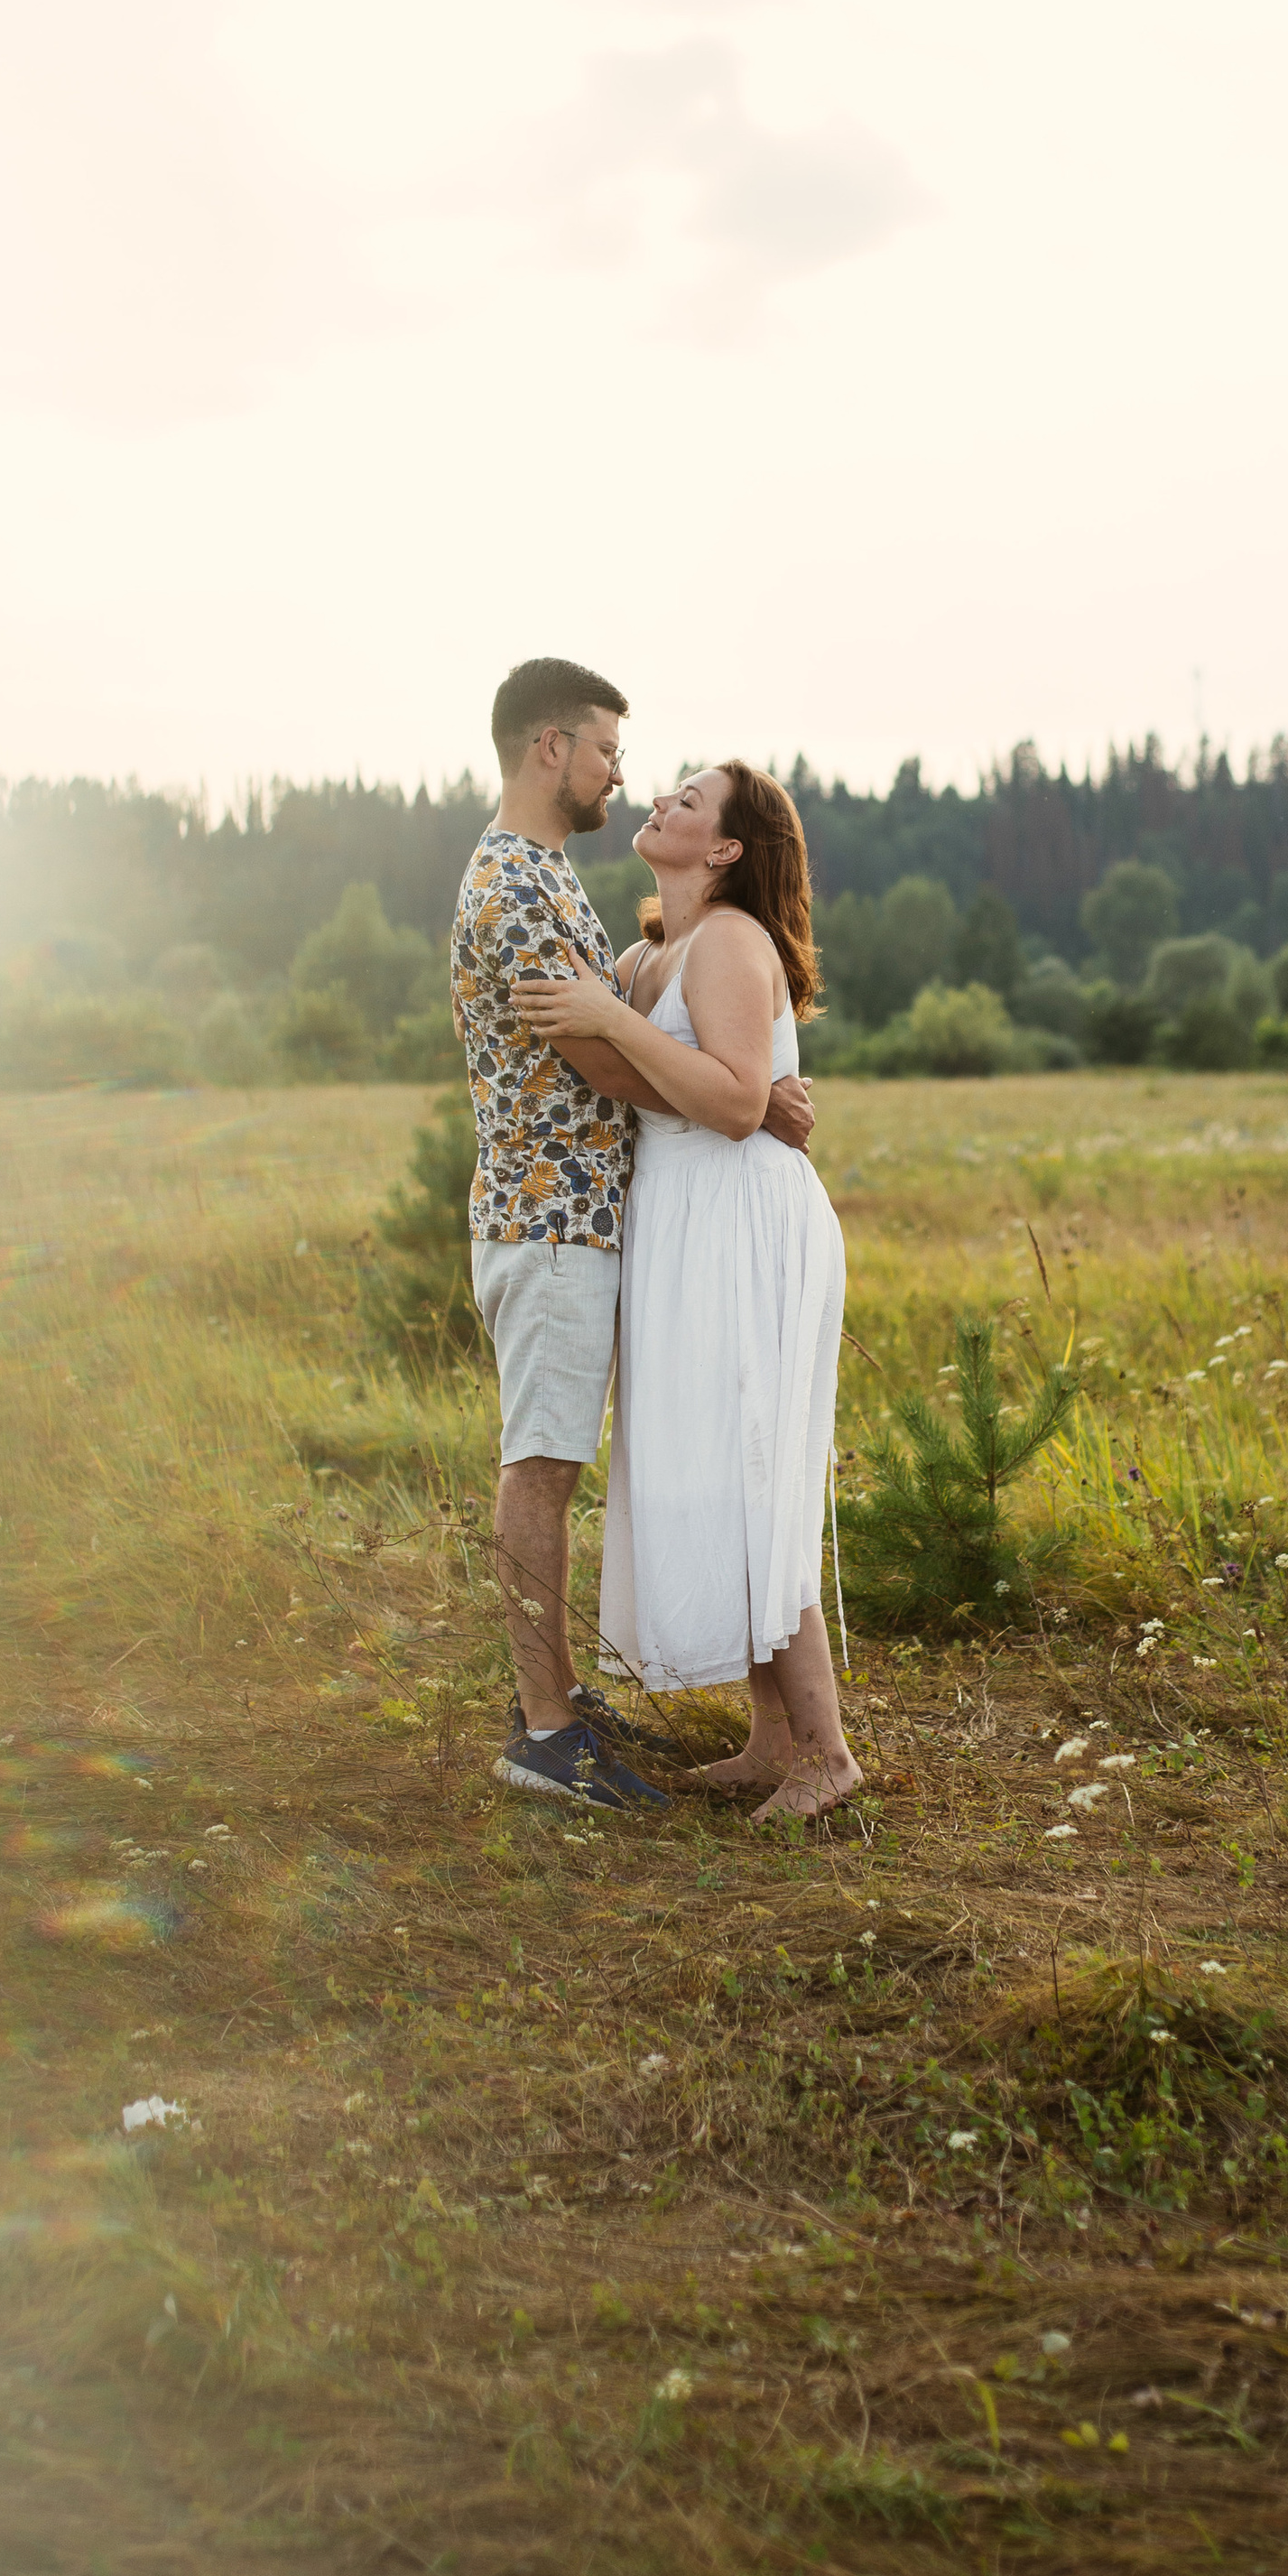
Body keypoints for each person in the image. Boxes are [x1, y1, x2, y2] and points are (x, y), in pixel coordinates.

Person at [452, 660, 817, 1814]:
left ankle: (559, 1700)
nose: (624, 774)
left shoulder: (550, 876)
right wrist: (743, 1101)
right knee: (543, 1463)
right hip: (548, 1219)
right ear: (551, 747)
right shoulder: (514, 890)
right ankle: (547, 1732)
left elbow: (638, 1031)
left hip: (587, 1220)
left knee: (567, 1459)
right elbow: (599, 1062)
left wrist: (749, 1091)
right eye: (608, 749)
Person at [511, 760, 860, 1821]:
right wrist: (604, 1017)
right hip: (680, 1222)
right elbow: (638, 1082)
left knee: (749, 1476)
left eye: (689, 801)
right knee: (711, 1469)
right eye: (667, 791)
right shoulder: (644, 955)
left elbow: (737, 1104)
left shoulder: (730, 941)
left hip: (743, 1222)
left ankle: (827, 1754)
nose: (660, 801)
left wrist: (611, 1021)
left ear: (724, 850)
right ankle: (768, 1740)